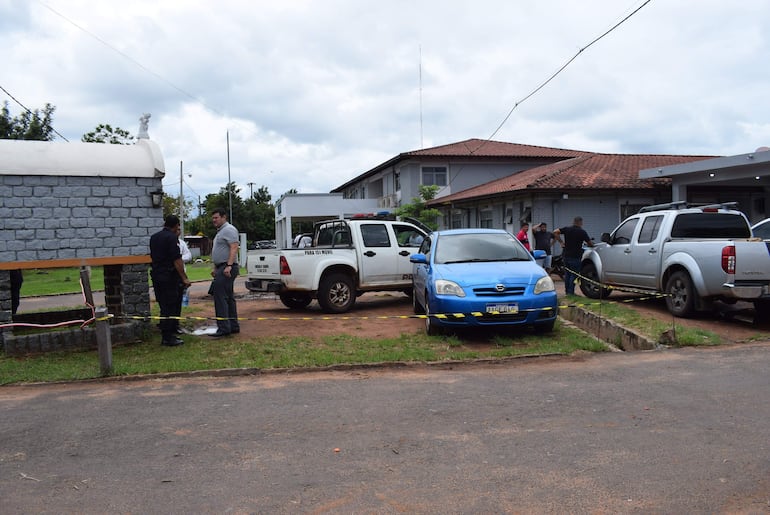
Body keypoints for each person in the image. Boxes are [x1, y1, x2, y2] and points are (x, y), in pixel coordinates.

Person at [149, 215, 191, 346]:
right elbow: (177, 260)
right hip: (169, 277)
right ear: (176, 225)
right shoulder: (172, 238)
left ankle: (168, 331)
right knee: (171, 306)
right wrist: (184, 277)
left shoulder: (154, 237)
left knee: (163, 306)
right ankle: (168, 337)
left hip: (157, 276)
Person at [210, 208, 240, 337]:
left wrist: (228, 266)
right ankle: (232, 326)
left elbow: (234, 248)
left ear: (224, 217)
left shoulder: (229, 229)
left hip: (227, 267)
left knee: (220, 296)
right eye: (213, 218)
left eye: (216, 218)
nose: (214, 220)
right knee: (228, 296)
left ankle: (223, 328)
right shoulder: (221, 231)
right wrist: (216, 267)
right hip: (222, 267)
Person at [553, 216, 594, 295]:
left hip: (565, 255)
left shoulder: (567, 229)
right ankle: (571, 292)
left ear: (573, 222)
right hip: (575, 256)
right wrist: (592, 245)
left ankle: (567, 291)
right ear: (580, 222)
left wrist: (561, 242)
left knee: (567, 274)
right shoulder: (582, 232)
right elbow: (589, 243)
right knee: (574, 274)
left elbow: (555, 231)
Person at [177, 228, 192, 308]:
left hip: (181, 272)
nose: (178, 231)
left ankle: (183, 304)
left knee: (183, 290)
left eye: (179, 230)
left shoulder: (182, 243)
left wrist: (178, 259)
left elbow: (189, 256)